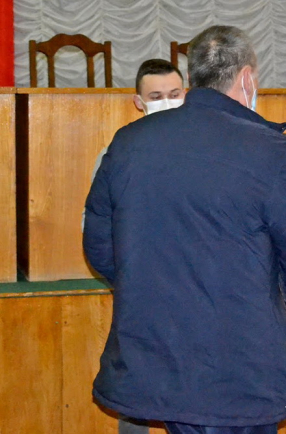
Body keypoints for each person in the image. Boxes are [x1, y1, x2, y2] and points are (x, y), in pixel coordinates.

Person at [83, 25, 286, 434]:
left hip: (159, 355)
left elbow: (100, 247)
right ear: (247, 78)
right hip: (241, 360)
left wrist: (154, 291)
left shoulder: (129, 142)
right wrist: (259, 296)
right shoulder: (271, 151)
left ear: (192, 75)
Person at [87, 59, 185, 434]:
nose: (167, 102)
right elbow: (96, 232)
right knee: (136, 398)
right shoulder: (117, 153)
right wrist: (130, 278)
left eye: (174, 94)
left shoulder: (206, 151)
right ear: (138, 102)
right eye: (156, 96)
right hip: (142, 298)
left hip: (198, 294)